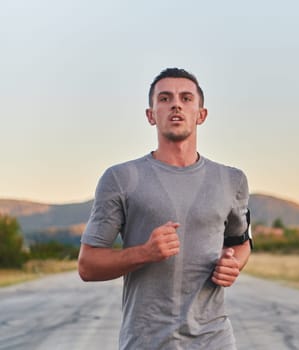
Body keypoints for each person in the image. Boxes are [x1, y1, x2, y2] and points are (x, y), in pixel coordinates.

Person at [78, 67, 252, 349]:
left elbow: (241, 244)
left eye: (186, 98)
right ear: (150, 115)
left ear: (201, 114)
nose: (176, 105)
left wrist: (233, 265)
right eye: (165, 98)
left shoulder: (232, 180)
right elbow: (87, 266)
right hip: (147, 341)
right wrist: (145, 253)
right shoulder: (120, 179)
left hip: (214, 338)